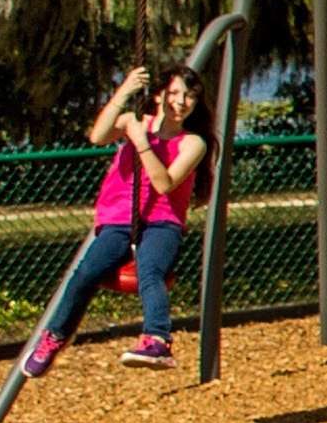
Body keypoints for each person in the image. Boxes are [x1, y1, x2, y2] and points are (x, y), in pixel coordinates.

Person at [23, 60, 205, 376]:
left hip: (163, 221)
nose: (180, 101)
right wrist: (124, 91)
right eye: (174, 92)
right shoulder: (137, 121)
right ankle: (55, 337)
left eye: (189, 96)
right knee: (86, 272)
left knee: (151, 270)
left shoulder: (192, 143)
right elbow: (98, 135)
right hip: (120, 217)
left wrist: (141, 141)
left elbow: (163, 184)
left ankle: (157, 340)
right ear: (159, 94)